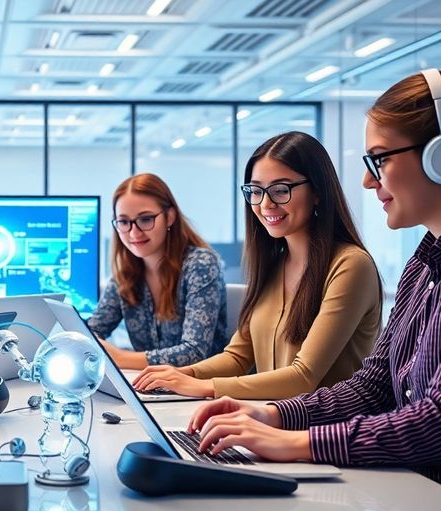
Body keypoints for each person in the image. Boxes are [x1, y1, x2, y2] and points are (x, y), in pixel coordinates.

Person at [187, 50, 441, 511]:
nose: (365, 180)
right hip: (421, 489)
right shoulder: (429, 259)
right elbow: (373, 387)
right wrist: (272, 414)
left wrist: (296, 443)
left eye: (379, 159)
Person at [133, 132, 381, 399]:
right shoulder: (274, 266)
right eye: (256, 191)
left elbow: (303, 377)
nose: (265, 204)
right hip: (272, 424)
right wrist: (183, 375)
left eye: (280, 190)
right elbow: (237, 357)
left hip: (323, 434)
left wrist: (205, 387)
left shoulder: (351, 266)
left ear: (318, 191)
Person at [87, 173, 227, 370]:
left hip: (200, 390)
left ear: (169, 217)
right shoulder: (125, 275)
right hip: (152, 389)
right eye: (124, 222)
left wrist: (119, 358)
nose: (134, 233)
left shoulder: (201, 265)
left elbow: (195, 352)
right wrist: (87, 342)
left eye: (145, 219)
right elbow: (92, 330)